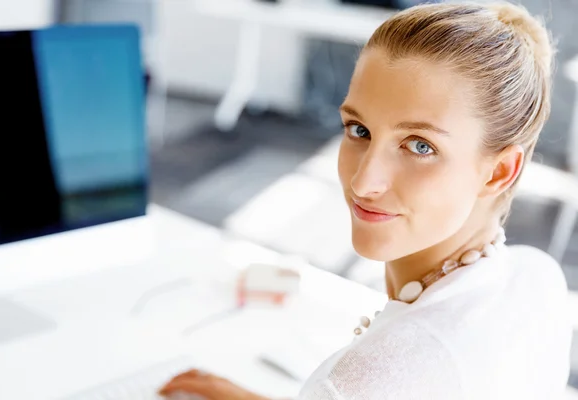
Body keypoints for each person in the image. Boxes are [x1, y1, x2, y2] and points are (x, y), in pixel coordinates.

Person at [159, 2, 572, 399]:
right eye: (359, 130)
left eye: (420, 146)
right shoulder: (538, 278)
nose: (363, 181)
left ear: (499, 172)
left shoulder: (367, 381)